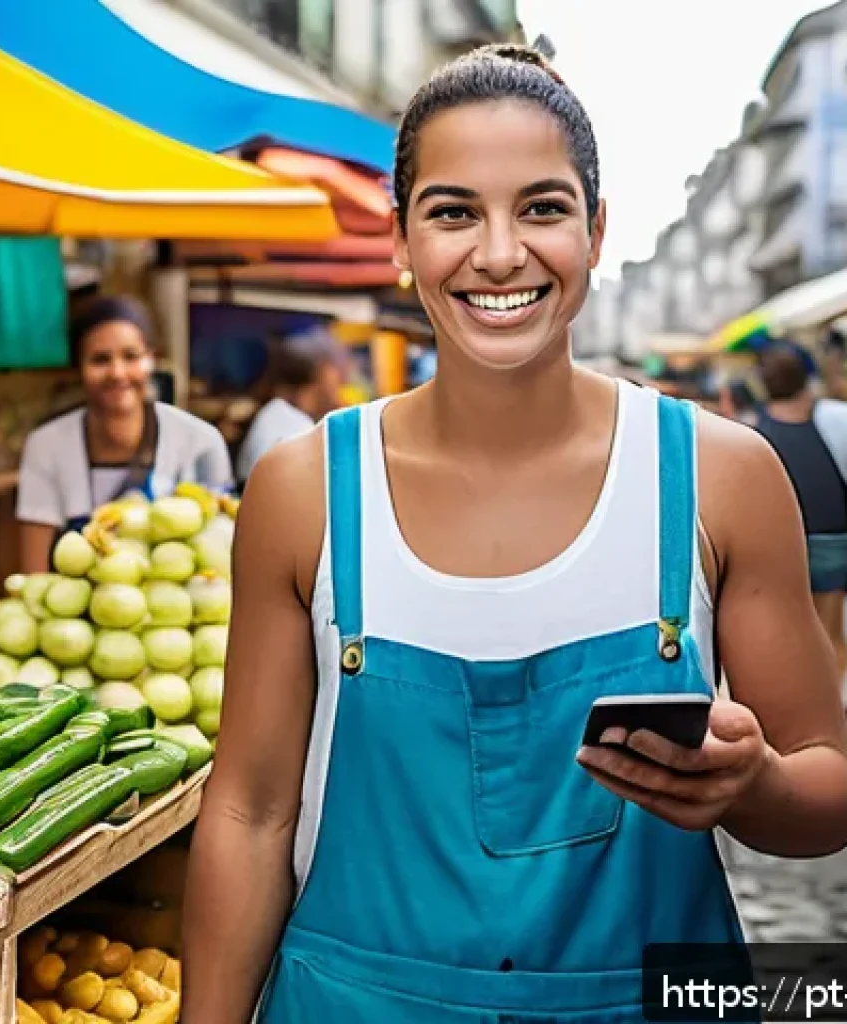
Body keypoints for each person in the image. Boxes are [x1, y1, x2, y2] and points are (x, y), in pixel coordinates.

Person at [181, 44, 847, 1024]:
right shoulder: (304, 490)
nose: (499, 253)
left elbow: (826, 782)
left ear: (594, 230)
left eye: (541, 207)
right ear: (400, 241)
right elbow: (248, 811)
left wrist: (752, 787)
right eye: (453, 212)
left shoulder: (721, 477)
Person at [15, 296, 233, 573]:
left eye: (131, 357)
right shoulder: (46, 447)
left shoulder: (200, 441)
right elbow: (35, 573)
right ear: (78, 368)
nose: (117, 373)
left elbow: (224, 555)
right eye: (100, 360)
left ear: (152, 359)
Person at [754, 342, 847, 682]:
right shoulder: (828, 420)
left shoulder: (758, 436)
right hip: (834, 536)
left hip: (786, 544)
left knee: (794, 635)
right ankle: (835, 707)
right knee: (832, 633)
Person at [235, 328, 345, 487]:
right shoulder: (293, 429)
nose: (342, 382)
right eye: (336, 370)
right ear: (322, 375)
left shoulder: (279, 416)